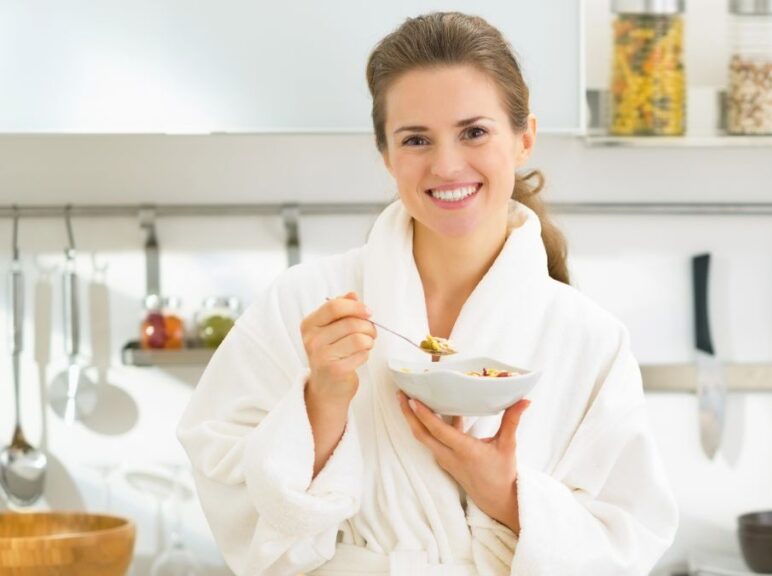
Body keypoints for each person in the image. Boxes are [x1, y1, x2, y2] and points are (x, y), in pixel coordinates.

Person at [178, 12, 678, 576]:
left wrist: (507, 497)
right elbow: (223, 477)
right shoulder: (304, 305)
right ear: (386, 156)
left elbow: (630, 539)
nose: (446, 165)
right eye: (416, 139)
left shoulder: (589, 339)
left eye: (474, 132)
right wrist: (319, 402)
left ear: (524, 139)